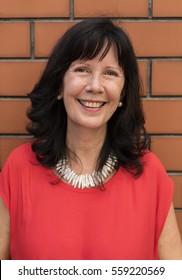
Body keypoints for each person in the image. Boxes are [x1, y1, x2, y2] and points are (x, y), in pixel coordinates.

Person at [0, 18, 182, 260]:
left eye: (110, 73)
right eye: (82, 70)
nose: (95, 86)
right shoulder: (19, 168)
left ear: (122, 94)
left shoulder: (150, 175)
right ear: (59, 85)